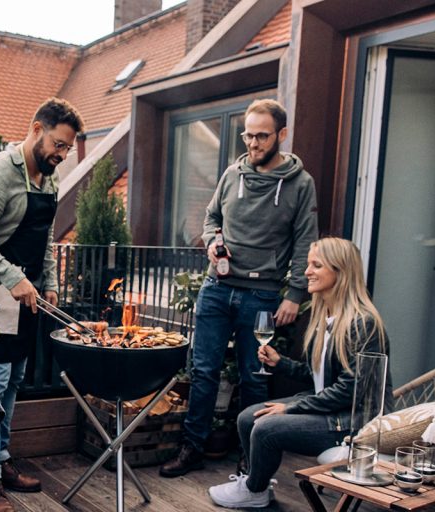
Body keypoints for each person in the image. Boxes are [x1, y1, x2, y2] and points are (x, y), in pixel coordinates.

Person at [160, 99, 319, 477]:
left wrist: (295, 293)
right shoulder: (233, 174)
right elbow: (211, 217)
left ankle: (252, 455)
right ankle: (192, 448)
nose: (253, 142)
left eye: (262, 136)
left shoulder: (301, 184)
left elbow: (304, 241)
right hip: (217, 288)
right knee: (203, 371)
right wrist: (213, 240)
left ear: (281, 135)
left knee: (255, 377)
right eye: (248, 134)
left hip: (263, 295)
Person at [0, 97, 83, 512]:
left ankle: (2, 460)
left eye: (67, 148)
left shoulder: (49, 178)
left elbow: (45, 235)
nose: (61, 154)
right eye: (58, 144)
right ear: (35, 129)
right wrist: (14, 278)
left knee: (14, 378)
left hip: (25, 287)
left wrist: (47, 282)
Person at [208, 237, 392, 508]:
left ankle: (253, 489)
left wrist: (290, 409)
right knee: (248, 417)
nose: (306, 272)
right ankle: (256, 486)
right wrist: (280, 363)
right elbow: (315, 375)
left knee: (266, 428)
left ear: (340, 272)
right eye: (308, 264)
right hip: (327, 406)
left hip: (353, 420)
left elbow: (350, 390)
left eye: (316, 265)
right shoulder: (326, 317)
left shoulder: (363, 323)